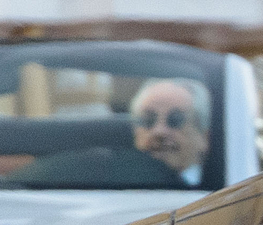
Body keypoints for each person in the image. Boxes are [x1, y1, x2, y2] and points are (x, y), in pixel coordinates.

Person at [20, 76, 212, 188]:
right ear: (135, 131)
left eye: (175, 120)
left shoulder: (219, 190)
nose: (159, 131)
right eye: (147, 120)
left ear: (203, 137)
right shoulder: (106, 183)